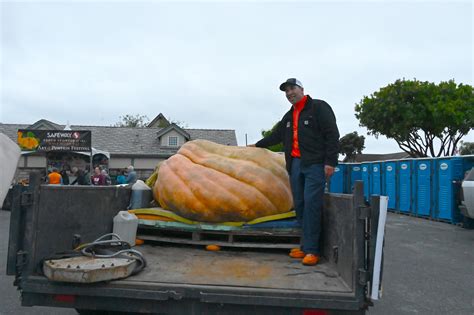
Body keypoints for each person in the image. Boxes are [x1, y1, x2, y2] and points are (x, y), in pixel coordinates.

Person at [250, 78, 340, 266]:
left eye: (292, 88)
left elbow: (332, 134)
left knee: (312, 204)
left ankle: (313, 250)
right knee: (299, 205)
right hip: (295, 164)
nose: (289, 93)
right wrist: (256, 145)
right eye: (286, 91)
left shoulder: (319, 107)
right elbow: (276, 135)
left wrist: (330, 162)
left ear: (302, 89)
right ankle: (305, 246)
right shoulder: (289, 116)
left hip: (315, 164)